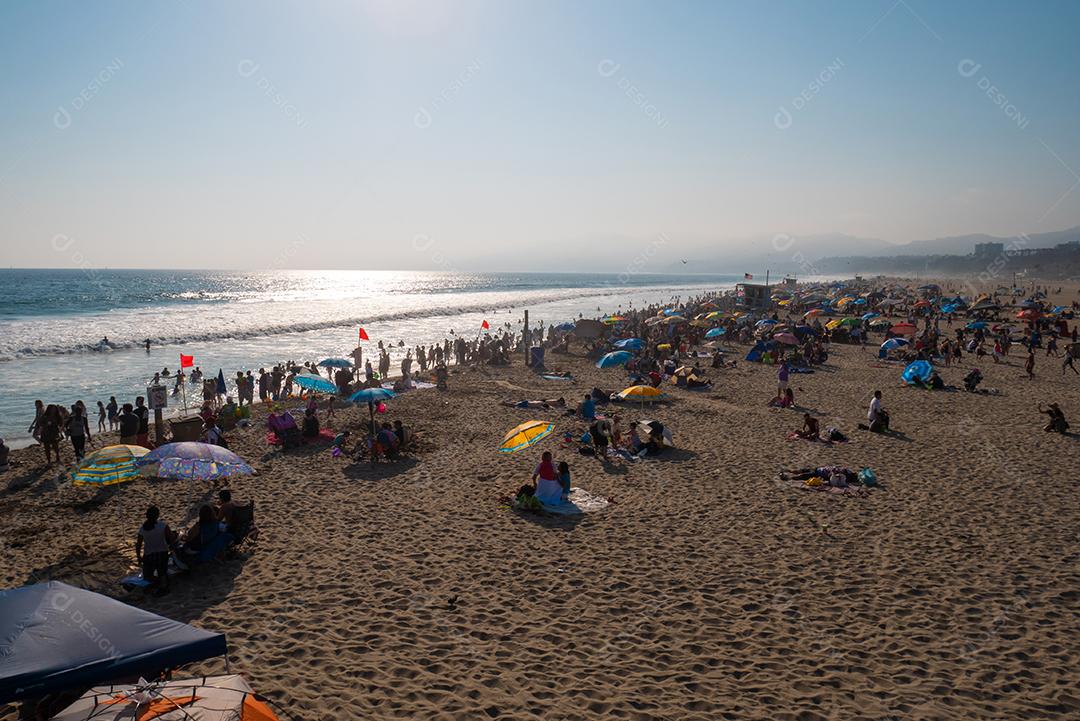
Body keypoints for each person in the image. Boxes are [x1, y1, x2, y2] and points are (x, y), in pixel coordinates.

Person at [135, 505, 173, 595]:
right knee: (162, 572)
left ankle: (154, 583)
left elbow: (138, 544)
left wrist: (138, 557)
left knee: (148, 576)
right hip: (162, 553)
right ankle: (163, 586)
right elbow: (171, 539)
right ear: (157, 515)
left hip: (148, 555)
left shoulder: (143, 528)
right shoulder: (163, 526)